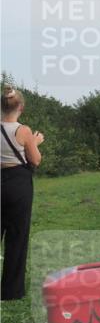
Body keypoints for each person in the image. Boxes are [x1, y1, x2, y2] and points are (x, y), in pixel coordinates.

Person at [1, 86, 44, 301]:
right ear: (21, 107)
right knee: (17, 236)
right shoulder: (24, 131)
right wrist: (35, 142)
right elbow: (35, 160)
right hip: (18, 184)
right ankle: (10, 291)